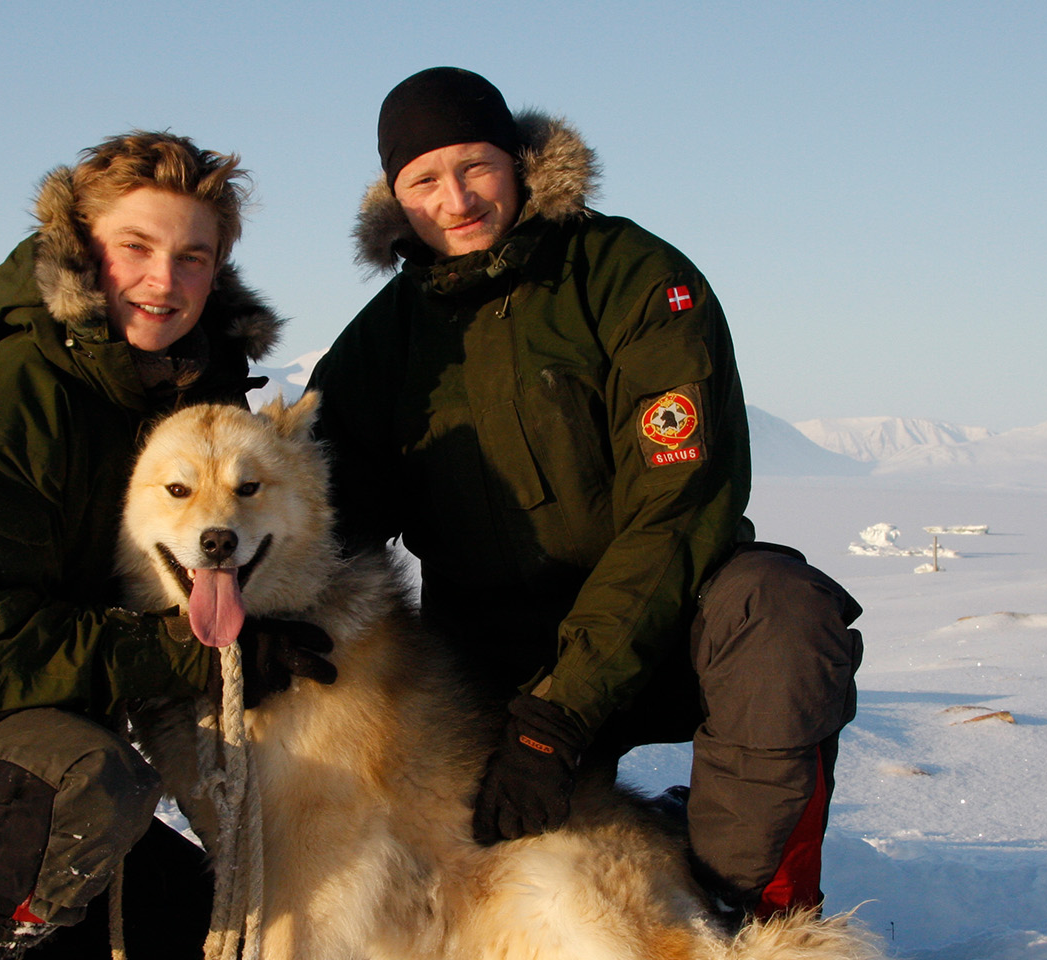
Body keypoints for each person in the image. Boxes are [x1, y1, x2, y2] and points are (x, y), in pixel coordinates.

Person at [306, 67, 864, 923]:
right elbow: (323, 523)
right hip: (492, 669)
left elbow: (680, 509)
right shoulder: (380, 346)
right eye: (424, 179)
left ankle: (753, 907)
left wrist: (559, 716)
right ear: (394, 200)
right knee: (499, 887)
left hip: (665, 633)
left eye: (475, 166)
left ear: (521, 162)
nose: (456, 199)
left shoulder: (634, 278)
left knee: (780, 615)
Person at [0, 131, 333, 960]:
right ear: (80, 253)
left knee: (197, 923)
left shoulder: (179, 400)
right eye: (136, 247)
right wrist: (193, 654)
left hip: (55, 728)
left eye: (193, 257)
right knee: (90, 790)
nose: (165, 280)